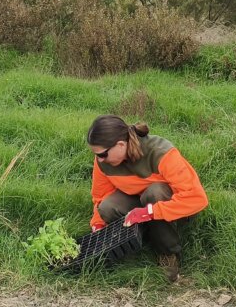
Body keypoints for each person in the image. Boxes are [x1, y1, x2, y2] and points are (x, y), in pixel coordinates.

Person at [87, 115, 208, 281]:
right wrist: (98, 225)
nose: (100, 159)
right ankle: (142, 239)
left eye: (103, 154)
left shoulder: (161, 153)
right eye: (97, 154)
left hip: (174, 207)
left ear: (121, 144)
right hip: (139, 203)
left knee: (154, 193)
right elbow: (100, 197)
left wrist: (149, 212)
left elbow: (196, 198)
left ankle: (168, 254)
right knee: (108, 207)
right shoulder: (103, 162)